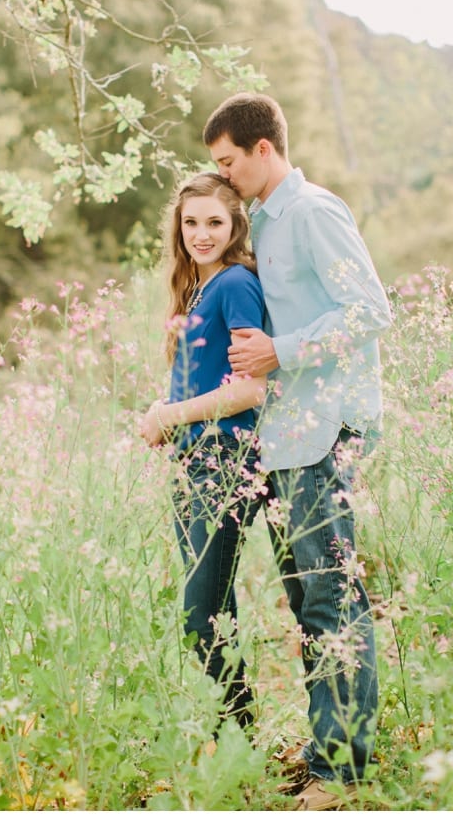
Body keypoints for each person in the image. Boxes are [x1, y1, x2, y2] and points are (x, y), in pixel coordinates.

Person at [203, 92, 392, 811]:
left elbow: (371, 310)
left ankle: (342, 772)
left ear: (262, 149)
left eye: (228, 163)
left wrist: (280, 350)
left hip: (324, 430)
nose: (224, 177)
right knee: (305, 599)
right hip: (287, 436)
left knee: (332, 599)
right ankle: (325, 754)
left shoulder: (313, 212)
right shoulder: (268, 223)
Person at [138, 172, 268, 734]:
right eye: (191, 222)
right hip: (195, 460)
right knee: (210, 609)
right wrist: (166, 414)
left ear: (235, 224)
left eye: (214, 222)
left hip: (227, 458)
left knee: (201, 612)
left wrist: (172, 415)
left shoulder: (237, 283)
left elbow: (249, 388)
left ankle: (240, 734)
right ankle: (236, 737)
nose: (201, 233)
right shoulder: (197, 288)